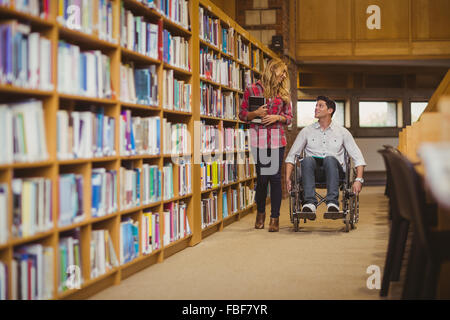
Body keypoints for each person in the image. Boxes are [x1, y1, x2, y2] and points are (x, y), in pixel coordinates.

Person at [285, 96, 366, 220]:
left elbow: (358, 157)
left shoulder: (342, 132)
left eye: (320, 105)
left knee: (329, 159)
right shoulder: (306, 131)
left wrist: (358, 179)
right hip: (312, 173)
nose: (316, 108)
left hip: (336, 173)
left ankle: (332, 203)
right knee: (306, 160)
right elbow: (291, 156)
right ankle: (310, 203)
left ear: (330, 110)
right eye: (316, 105)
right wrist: (288, 179)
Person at [239, 58, 293, 232]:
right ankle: (260, 213)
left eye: (285, 72)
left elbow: (289, 118)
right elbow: (242, 114)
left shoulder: (283, 93)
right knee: (262, 178)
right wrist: (255, 113)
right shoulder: (252, 89)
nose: (284, 75)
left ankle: (274, 218)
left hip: (277, 139)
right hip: (259, 138)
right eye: (282, 72)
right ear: (272, 70)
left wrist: (278, 117)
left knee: (275, 178)